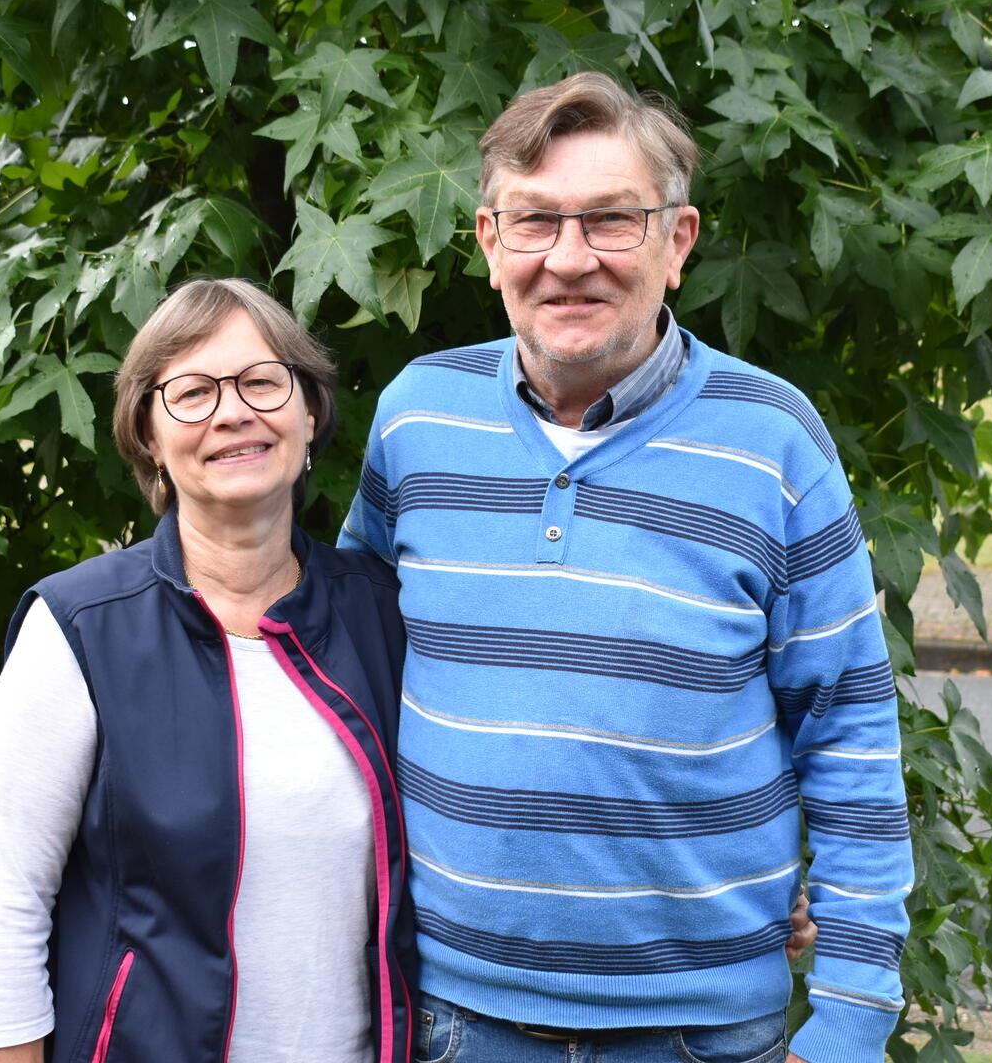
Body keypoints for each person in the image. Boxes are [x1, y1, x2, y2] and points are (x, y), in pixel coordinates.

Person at [341, 73, 914, 1063]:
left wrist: (854, 1017)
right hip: (451, 1019)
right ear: (488, 244)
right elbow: (347, 673)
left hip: (695, 1032)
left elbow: (850, 725)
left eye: (612, 221)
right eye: (535, 223)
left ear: (678, 242)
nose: (570, 260)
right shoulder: (415, 420)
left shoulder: (773, 442)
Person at [0, 278, 417, 1062]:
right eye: (193, 392)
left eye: (262, 382)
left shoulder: (381, 614)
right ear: (148, 434)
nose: (233, 412)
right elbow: (6, 903)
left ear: (309, 413)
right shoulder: (81, 629)